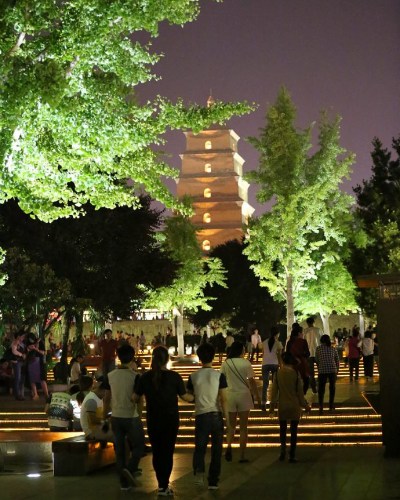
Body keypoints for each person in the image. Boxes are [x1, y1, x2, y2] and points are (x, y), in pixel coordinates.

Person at [133, 345, 194, 496]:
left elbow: (134, 398)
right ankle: (163, 485)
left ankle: (161, 484)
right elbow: (185, 397)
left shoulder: (145, 377)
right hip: (170, 418)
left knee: (157, 451)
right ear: (167, 359)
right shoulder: (174, 377)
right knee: (168, 451)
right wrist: (198, 398)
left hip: (153, 419)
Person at [187, 343, 229, 490]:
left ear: (199, 358)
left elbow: (189, 396)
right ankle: (213, 481)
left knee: (200, 447)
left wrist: (196, 402)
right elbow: (223, 399)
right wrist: (228, 421)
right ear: (214, 356)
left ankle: (199, 472)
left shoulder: (193, 376)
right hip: (216, 415)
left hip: (201, 415)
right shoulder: (219, 376)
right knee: (217, 450)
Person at [105, 344, 145, 492]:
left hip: (115, 416)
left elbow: (106, 398)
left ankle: (124, 483)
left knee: (120, 450)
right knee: (139, 446)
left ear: (118, 357)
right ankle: (131, 468)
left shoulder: (110, 375)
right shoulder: (135, 376)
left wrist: (105, 415)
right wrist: (139, 415)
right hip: (131, 416)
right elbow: (139, 399)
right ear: (132, 357)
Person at [220, 341, 260, 463]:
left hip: (230, 395)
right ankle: (242, 455)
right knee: (243, 427)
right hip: (244, 395)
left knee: (231, 427)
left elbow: (221, 380)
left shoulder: (226, 363)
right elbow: (252, 381)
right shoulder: (245, 363)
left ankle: (229, 447)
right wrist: (257, 397)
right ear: (241, 351)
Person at [269, 352, 311, 463]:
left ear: (282, 361)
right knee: (293, 431)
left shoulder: (277, 374)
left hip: (282, 405)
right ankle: (292, 454)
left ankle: (282, 450)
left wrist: (271, 408)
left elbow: (274, 393)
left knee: (282, 430)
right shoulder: (296, 373)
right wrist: (306, 406)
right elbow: (300, 393)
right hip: (294, 405)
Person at [315, 334, 339, 414]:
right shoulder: (333, 348)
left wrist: (320, 367)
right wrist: (337, 370)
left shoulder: (318, 349)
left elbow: (317, 360)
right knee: (332, 389)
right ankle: (331, 406)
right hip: (332, 370)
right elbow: (337, 360)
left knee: (321, 390)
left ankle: (321, 407)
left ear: (321, 341)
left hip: (322, 371)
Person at [261, 327, 283, 411]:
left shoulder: (264, 342)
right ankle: (274, 403)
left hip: (265, 364)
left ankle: (263, 403)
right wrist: (281, 365)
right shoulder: (278, 343)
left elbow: (263, 353)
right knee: (275, 384)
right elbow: (279, 356)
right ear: (277, 334)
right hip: (274, 364)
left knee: (265, 384)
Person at [286, 323, 310, 393]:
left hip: (292, 364)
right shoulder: (303, 341)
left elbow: (287, 353)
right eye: (302, 333)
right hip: (302, 364)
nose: (302, 334)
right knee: (306, 381)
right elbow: (308, 354)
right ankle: (302, 396)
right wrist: (302, 355)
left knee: (294, 381)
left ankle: (295, 396)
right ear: (299, 333)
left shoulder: (289, 342)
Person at [26, 332, 49, 400]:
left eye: (31, 339)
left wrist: (36, 349)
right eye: (29, 339)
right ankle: (35, 394)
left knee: (42, 379)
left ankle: (46, 394)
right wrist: (29, 349)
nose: (30, 340)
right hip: (31, 362)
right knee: (32, 379)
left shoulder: (40, 342)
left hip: (39, 362)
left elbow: (44, 353)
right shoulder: (28, 343)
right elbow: (26, 351)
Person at [303, 317, 322, 394]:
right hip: (318, 353)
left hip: (308, 354)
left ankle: (314, 389)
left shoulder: (305, 331)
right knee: (320, 371)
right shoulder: (318, 330)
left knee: (311, 373)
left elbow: (303, 342)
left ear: (307, 323)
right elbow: (321, 340)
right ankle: (320, 387)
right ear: (314, 322)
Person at [11, 330, 27, 400]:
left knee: (21, 378)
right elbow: (14, 351)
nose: (23, 337)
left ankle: (20, 394)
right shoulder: (15, 342)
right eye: (22, 336)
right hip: (17, 362)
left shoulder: (21, 342)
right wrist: (21, 355)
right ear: (18, 336)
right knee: (18, 378)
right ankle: (17, 395)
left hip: (21, 362)